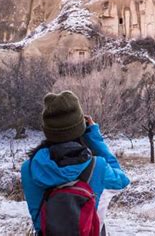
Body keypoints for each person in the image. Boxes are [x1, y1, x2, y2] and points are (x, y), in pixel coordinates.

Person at [21, 90, 130, 235]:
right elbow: (122, 180)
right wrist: (94, 137)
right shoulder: (98, 166)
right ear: (81, 127)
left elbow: (37, 217)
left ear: (47, 130)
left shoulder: (29, 169)